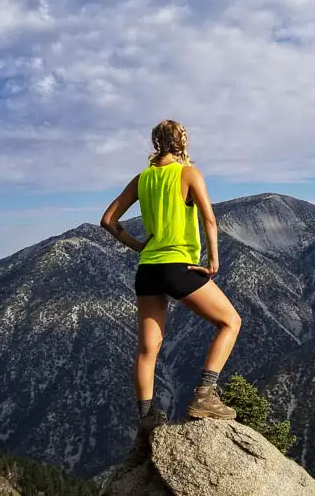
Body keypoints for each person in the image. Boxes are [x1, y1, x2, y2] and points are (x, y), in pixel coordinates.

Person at [100, 119, 242, 440]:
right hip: (178, 265)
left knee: (148, 349)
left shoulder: (142, 179)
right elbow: (208, 217)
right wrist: (213, 260)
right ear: (181, 142)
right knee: (230, 322)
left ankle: (147, 418)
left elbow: (108, 220)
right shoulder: (188, 174)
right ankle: (205, 394)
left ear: (156, 142)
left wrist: (138, 245)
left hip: (148, 269)